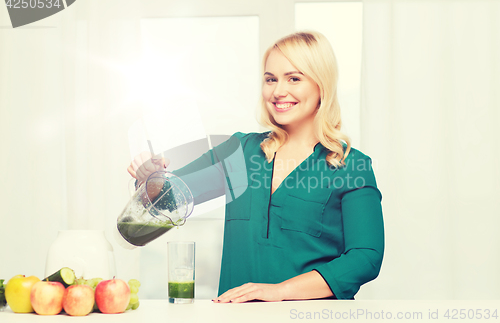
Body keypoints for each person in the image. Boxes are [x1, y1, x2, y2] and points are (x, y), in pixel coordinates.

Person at [127, 31, 384, 302]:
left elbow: (365, 258)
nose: (278, 91)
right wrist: (150, 176)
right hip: (236, 315)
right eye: (270, 79)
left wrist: (280, 291)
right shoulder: (240, 152)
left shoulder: (351, 166)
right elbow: (168, 195)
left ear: (322, 85)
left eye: (294, 78)